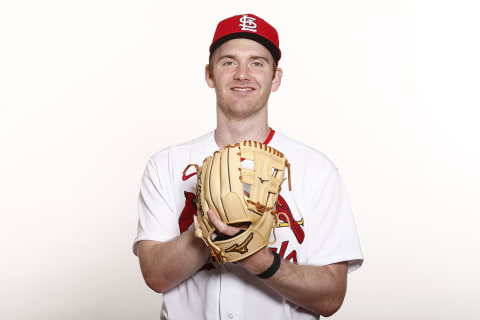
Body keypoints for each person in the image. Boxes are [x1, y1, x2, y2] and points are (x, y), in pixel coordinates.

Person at [133, 13, 363, 320]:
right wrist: (205, 232)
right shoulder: (166, 165)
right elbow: (155, 276)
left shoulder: (316, 170)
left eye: (257, 62)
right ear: (209, 75)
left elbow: (332, 296)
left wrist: (262, 262)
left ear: (275, 78)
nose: (242, 74)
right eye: (229, 62)